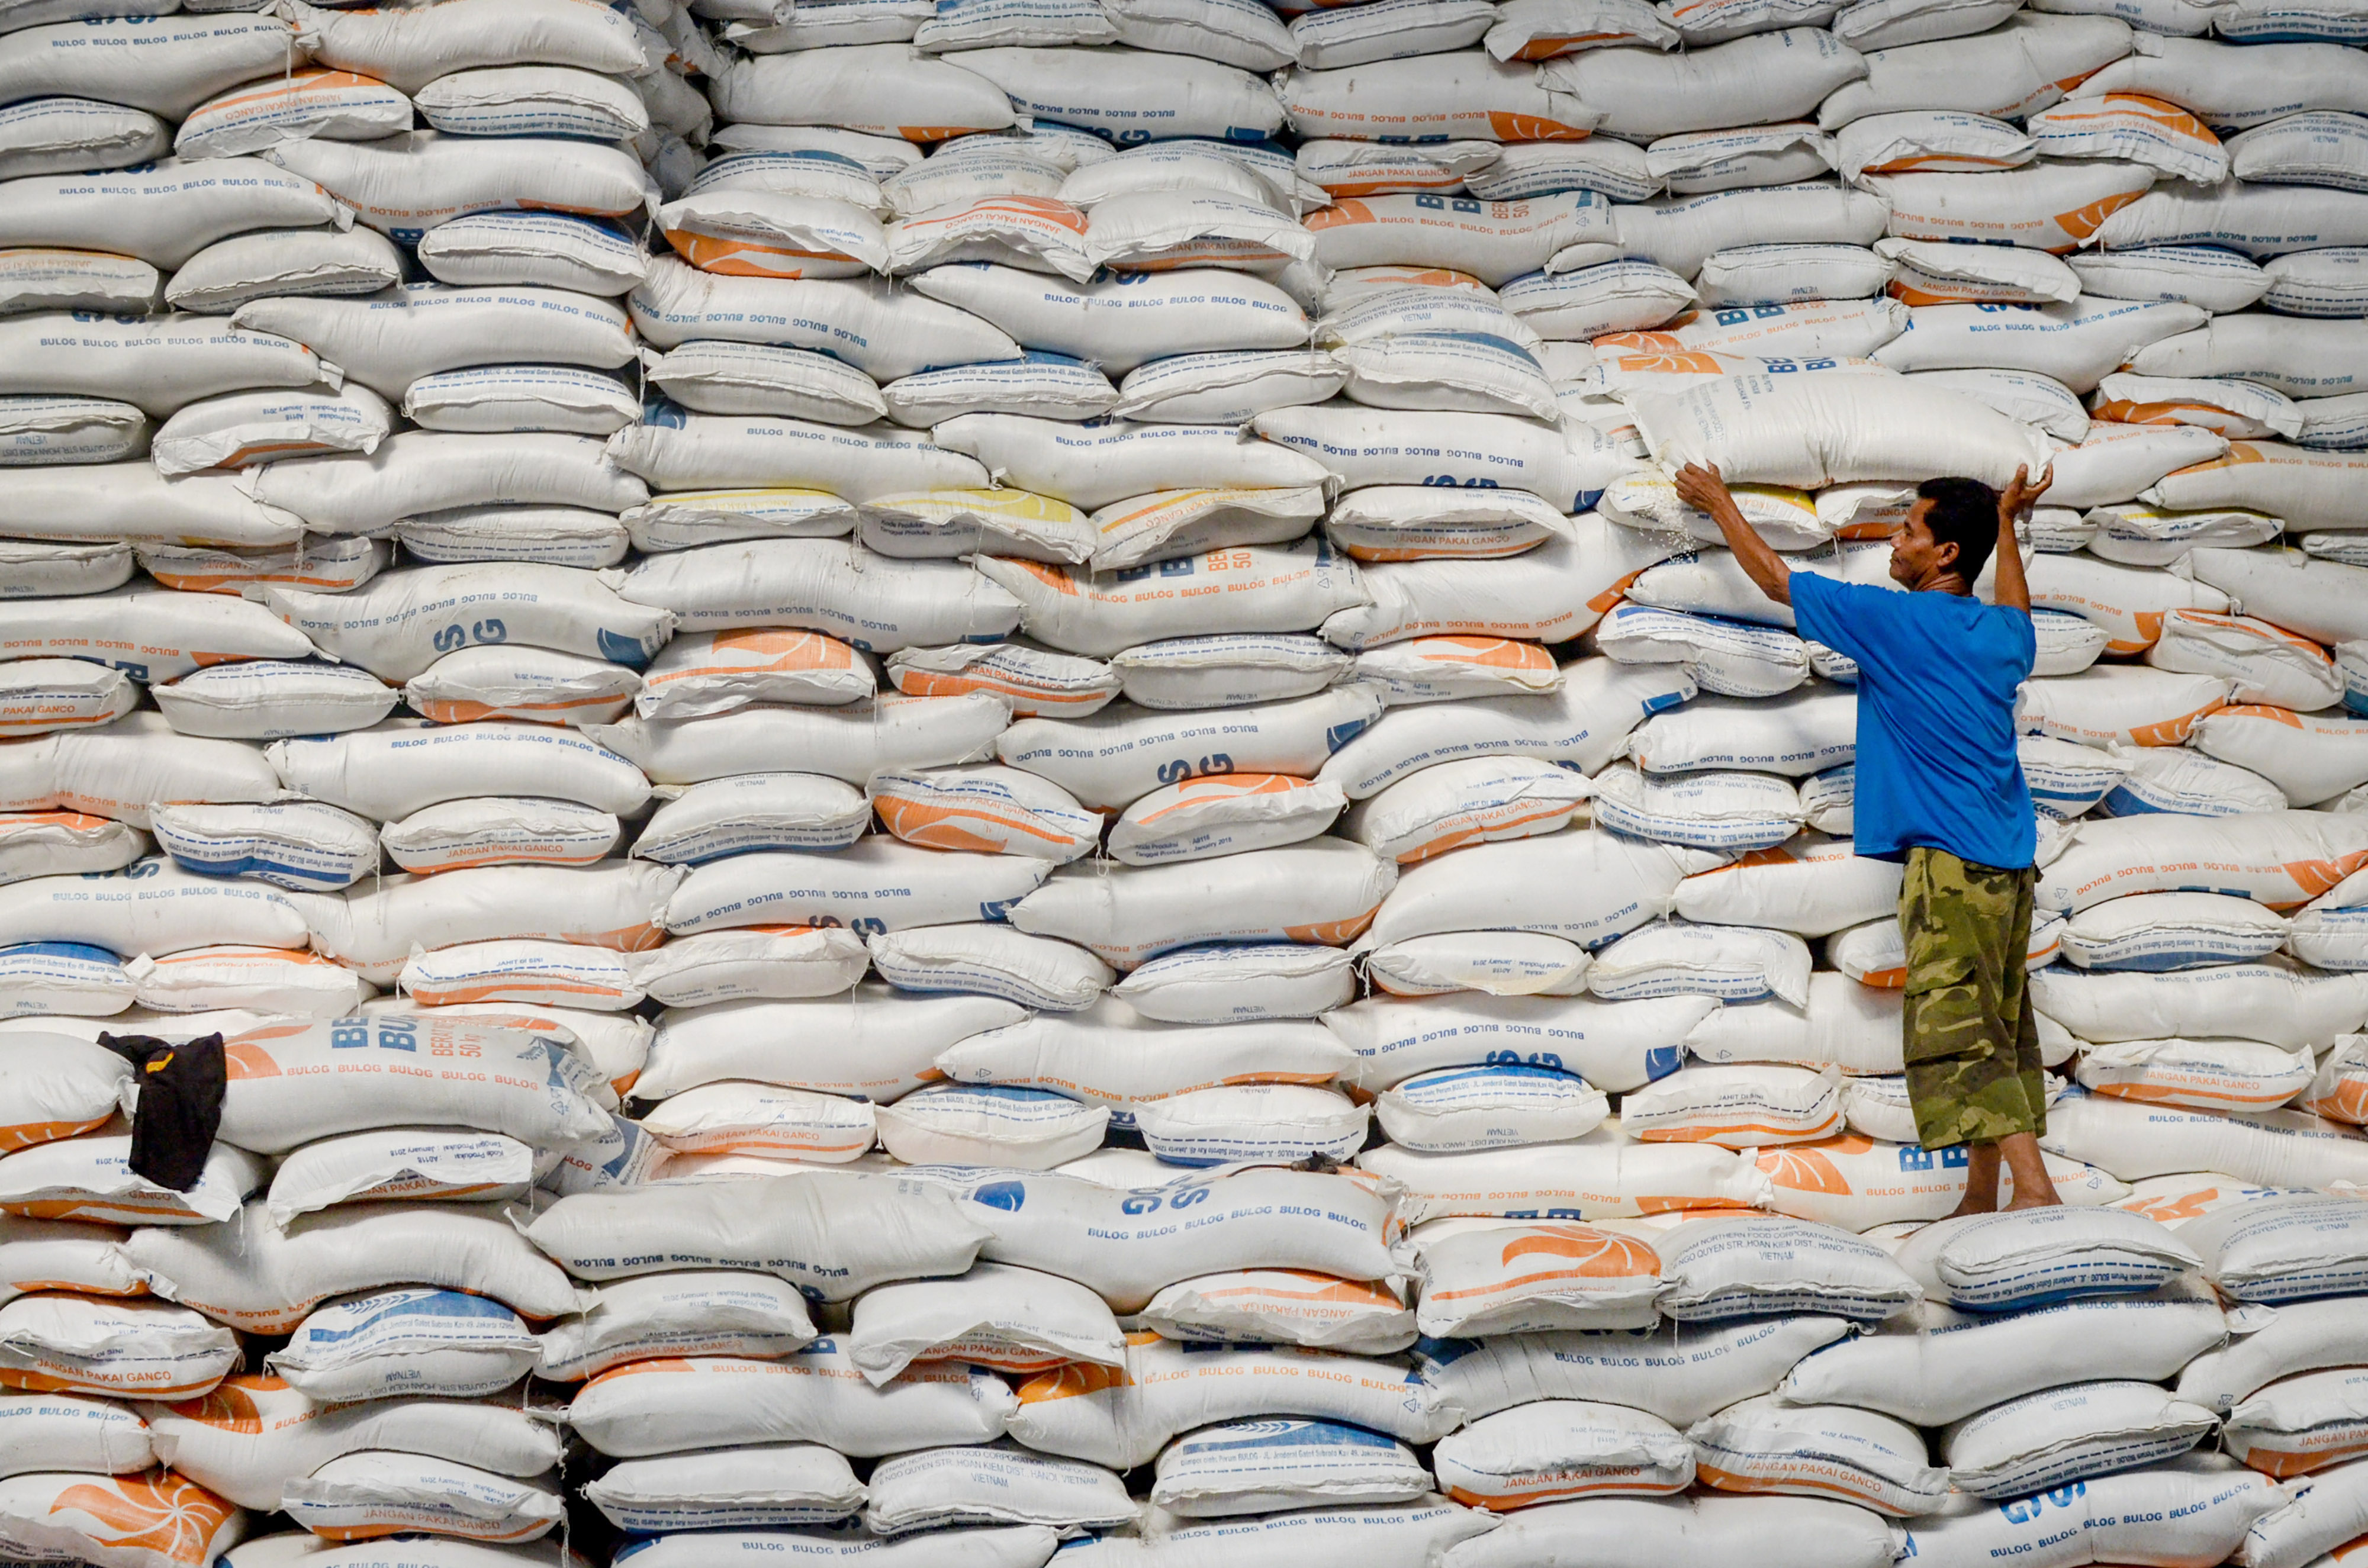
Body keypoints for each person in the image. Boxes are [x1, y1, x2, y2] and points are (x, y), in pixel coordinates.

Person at [1670, 458, 2060, 1216]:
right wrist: (2008, 524)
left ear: (1946, 553)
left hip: (1951, 867)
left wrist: (1717, 502)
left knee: (1958, 1030)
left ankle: (2036, 1190)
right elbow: (2016, 605)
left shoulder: (1896, 623)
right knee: (1997, 1021)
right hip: (2010, 866)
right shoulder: (2003, 636)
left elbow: (1777, 582)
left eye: (1909, 530)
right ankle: (1982, 1194)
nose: (1894, 539)